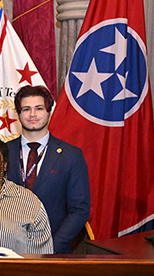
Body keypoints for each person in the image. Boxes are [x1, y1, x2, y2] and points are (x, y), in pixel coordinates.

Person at [5, 85, 91, 253]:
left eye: (39, 108)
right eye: (26, 109)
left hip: (54, 252)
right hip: (7, 250)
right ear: (18, 114)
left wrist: (52, 247)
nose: (32, 114)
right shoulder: (2, 152)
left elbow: (79, 210)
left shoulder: (71, 155)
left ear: (49, 111)